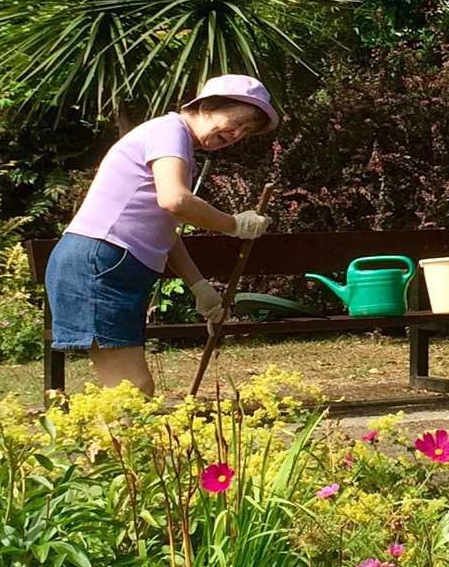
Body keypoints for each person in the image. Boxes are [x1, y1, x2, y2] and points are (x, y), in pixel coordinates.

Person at [47, 75, 280, 395]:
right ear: (208, 105)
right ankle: (118, 445)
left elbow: (165, 229)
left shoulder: (177, 145)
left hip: (110, 263)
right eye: (237, 121)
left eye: (246, 131)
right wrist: (234, 224)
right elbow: (175, 200)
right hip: (101, 261)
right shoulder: (169, 131)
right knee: (133, 390)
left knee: (126, 392)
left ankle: (106, 444)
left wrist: (200, 288)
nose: (237, 134)